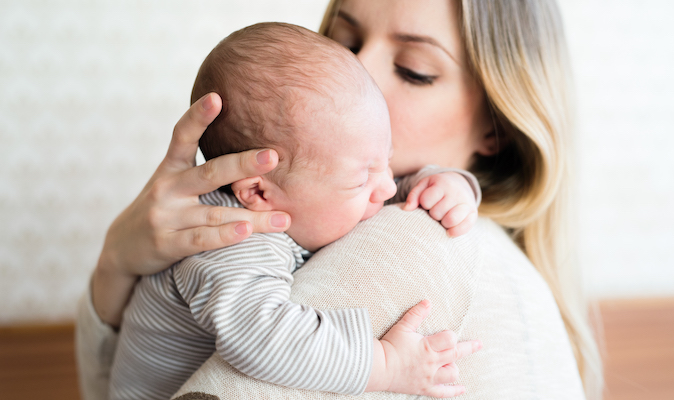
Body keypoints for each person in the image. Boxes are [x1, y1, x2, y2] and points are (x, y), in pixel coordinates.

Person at [76, 0, 603, 399]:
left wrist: (454, 185)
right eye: (342, 41)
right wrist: (119, 260)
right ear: (258, 189)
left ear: (496, 127)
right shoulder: (242, 238)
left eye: (414, 68)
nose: (360, 76)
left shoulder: (413, 237)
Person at [108, 22, 482, 400]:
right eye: (362, 178)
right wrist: (385, 364)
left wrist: (446, 184)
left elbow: (385, 185)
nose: (387, 187)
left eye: (387, 160)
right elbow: (262, 338)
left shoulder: (319, 184)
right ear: (258, 193)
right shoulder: (231, 241)